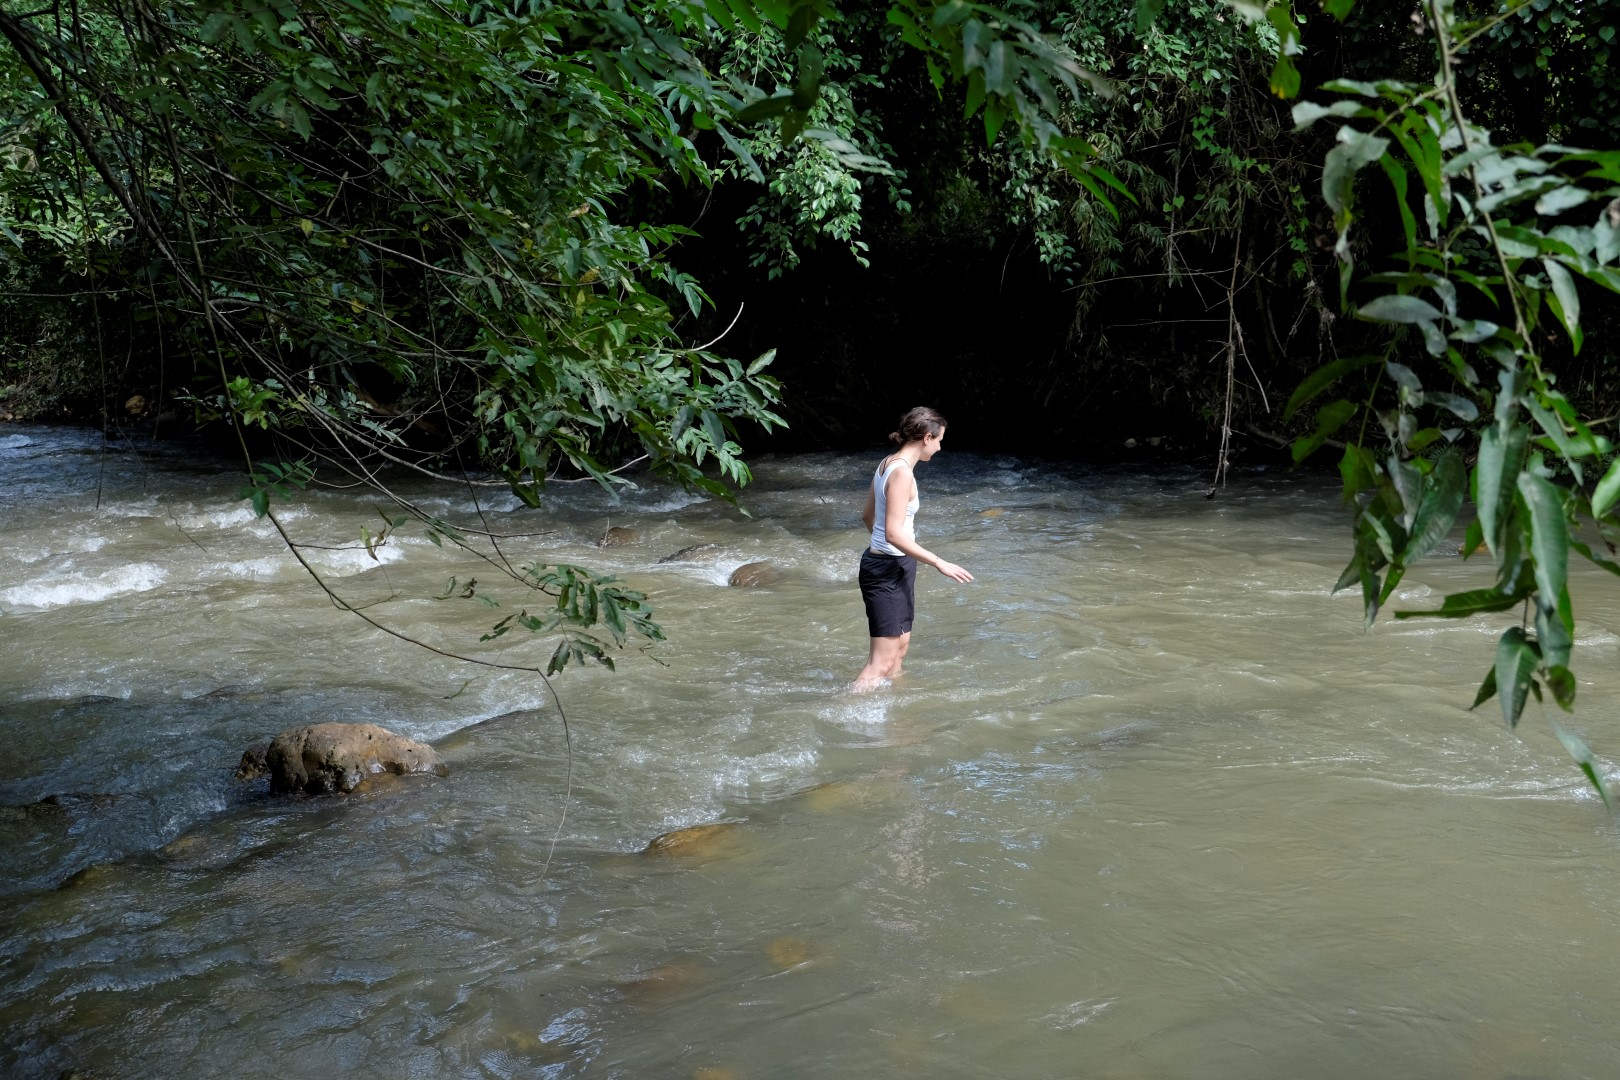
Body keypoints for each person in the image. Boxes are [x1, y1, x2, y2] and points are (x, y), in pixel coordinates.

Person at [853, 407, 973, 692]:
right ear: (927, 438)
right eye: (939, 440)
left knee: (900, 648)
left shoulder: (887, 463)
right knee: (880, 663)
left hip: (897, 565)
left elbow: (868, 516)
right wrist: (939, 562)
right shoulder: (902, 473)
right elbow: (893, 533)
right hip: (885, 571)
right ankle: (843, 709)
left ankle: (894, 706)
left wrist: (889, 548)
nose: (940, 447)